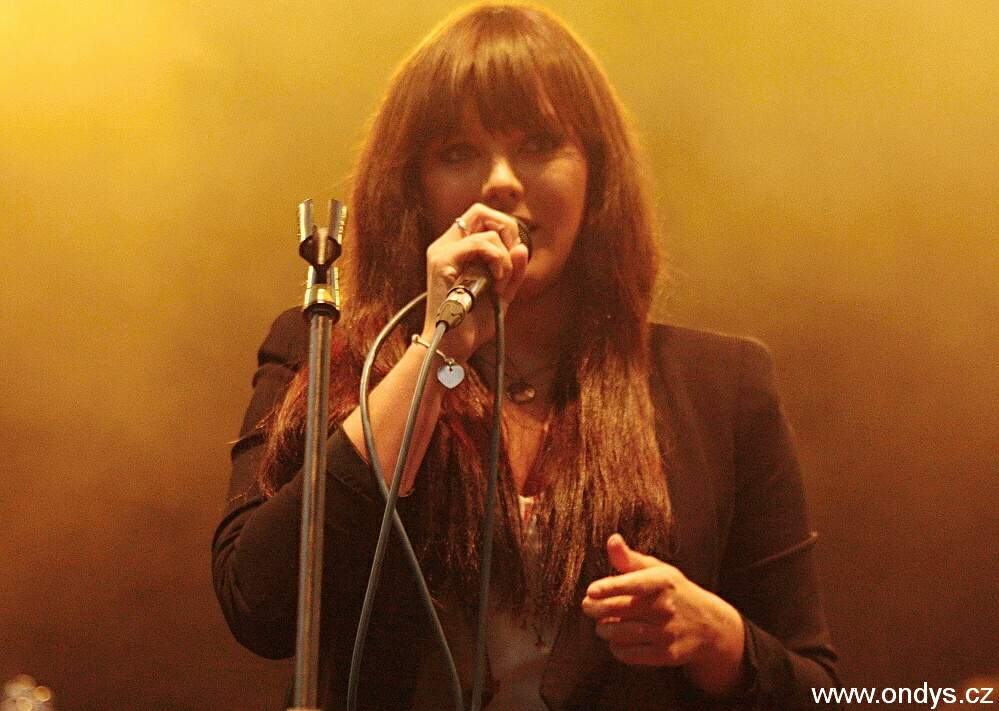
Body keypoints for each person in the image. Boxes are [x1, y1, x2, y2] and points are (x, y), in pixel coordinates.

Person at [212, 3, 841, 709]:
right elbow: (260, 604)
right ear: (412, 187)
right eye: (458, 153)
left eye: (539, 143)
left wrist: (721, 640)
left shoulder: (722, 386)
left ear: (596, 175)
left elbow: (818, 688)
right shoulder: (321, 349)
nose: (502, 181)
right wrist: (435, 350)